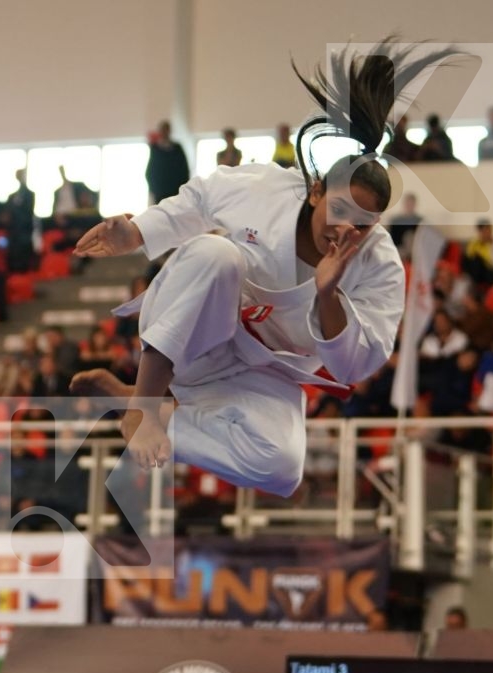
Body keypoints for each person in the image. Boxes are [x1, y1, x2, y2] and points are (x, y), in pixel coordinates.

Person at [71, 41, 453, 497]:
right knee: (216, 255)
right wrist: (137, 233)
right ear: (314, 192)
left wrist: (329, 296)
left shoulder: (381, 267)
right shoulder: (265, 186)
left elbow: (356, 364)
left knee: (282, 465)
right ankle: (146, 405)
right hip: (196, 338)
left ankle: (132, 401)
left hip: (265, 372)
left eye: (364, 223)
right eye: (340, 208)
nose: (348, 228)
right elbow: (200, 198)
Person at [144, 121, 190, 205]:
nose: (164, 133)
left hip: (176, 193)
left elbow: (184, 170)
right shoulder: (155, 149)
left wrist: (182, 190)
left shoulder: (177, 148)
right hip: (160, 194)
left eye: (166, 130)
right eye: (162, 130)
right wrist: (155, 190)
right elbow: (150, 173)